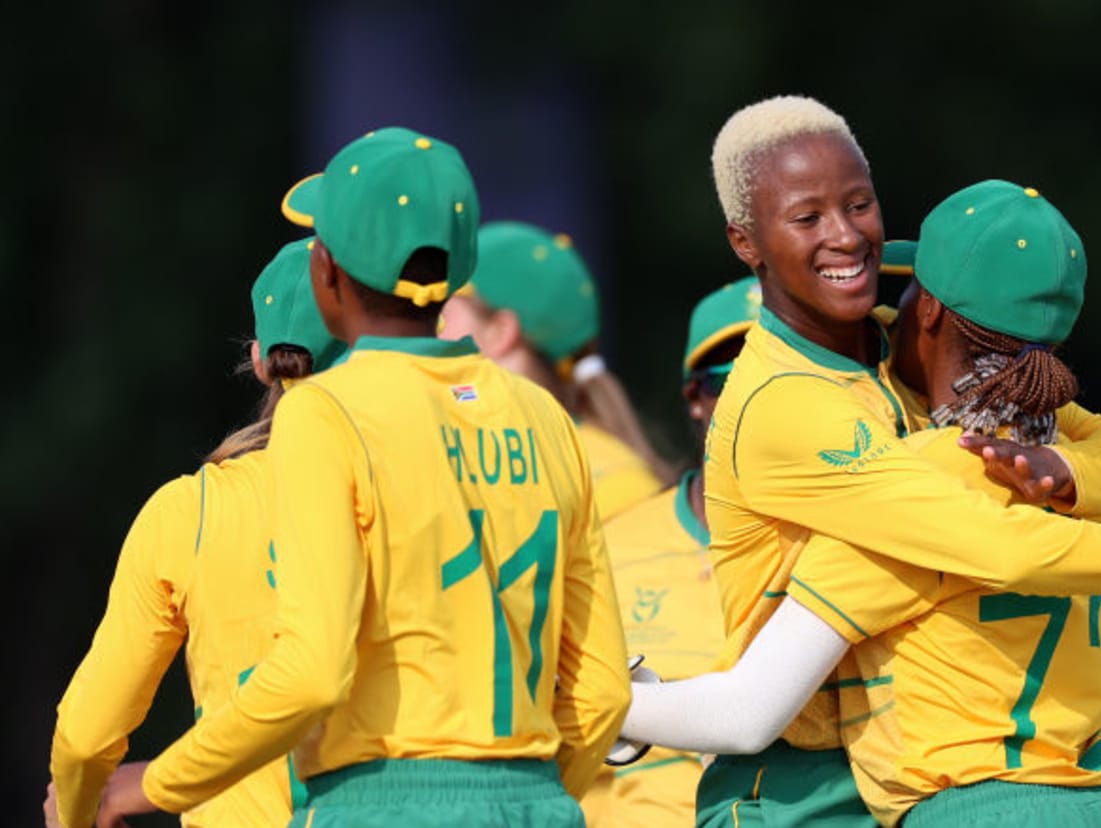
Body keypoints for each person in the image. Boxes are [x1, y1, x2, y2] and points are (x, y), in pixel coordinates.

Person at [688, 94, 1101, 827]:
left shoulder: (941, 372)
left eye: (859, 204)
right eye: (807, 217)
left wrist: (1067, 473)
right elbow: (993, 546)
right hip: (797, 789)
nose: (847, 236)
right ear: (744, 242)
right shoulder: (785, 405)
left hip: (920, 774)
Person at [93, 127, 632, 827]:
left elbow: (312, 674)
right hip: (536, 800)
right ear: (461, 265)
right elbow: (602, 695)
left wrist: (155, 785)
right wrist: (524, 797)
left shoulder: (325, 411)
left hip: (381, 801)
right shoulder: (545, 417)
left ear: (325, 272)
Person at [46, 238, 343, 828]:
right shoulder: (425, 486)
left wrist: (82, 811)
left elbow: (85, 739)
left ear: (261, 360)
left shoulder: (194, 512)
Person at [577, 277, 757, 827]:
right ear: (695, 399)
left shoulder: (844, 542)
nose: (760, 401)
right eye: (731, 380)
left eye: (778, 380)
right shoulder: (609, 545)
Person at [439, 220, 676, 515]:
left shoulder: (613, 484)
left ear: (500, 332)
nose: (429, 330)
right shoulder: (452, 450)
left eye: (442, 313)